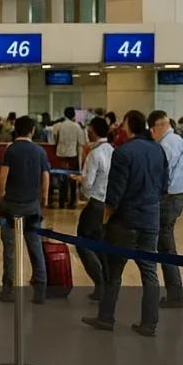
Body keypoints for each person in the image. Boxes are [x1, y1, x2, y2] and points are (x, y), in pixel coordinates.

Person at [84, 111, 168, 337]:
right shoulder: (159, 150)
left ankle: (106, 318)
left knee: (114, 272)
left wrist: (104, 221)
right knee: (150, 271)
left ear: (129, 127)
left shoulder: (123, 153)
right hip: (150, 220)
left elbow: (114, 195)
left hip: (125, 221)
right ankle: (149, 323)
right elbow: (164, 185)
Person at [0, 116, 49, 304]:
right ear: (32, 130)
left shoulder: (10, 150)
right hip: (32, 206)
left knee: (9, 248)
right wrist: (44, 198)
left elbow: (3, 176)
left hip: (11, 205)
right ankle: (41, 289)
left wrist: (1, 196)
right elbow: (46, 176)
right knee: (35, 247)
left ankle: (8, 289)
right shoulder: (40, 151)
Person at [149, 110, 183, 309]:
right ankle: (175, 293)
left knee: (165, 245)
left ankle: (175, 295)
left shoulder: (167, 144)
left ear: (157, 126)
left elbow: (164, 171)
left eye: (151, 130)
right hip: (176, 196)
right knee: (165, 242)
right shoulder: (176, 139)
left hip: (169, 198)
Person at [73, 116, 113, 301]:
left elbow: (88, 183)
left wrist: (81, 184)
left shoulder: (94, 154)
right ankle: (105, 283)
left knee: (83, 242)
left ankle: (100, 283)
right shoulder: (113, 151)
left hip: (96, 203)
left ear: (94, 131)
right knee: (100, 244)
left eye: (89, 128)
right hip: (109, 204)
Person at [52, 107, 85, 209]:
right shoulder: (76, 127)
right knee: (72, 179)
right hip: (72, 155)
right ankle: (71, 202)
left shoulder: (58, 126)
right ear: (74, 115)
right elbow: (82, 142)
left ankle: (62, 201)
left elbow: (54, 139)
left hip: (61, 155)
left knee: (62, 178)